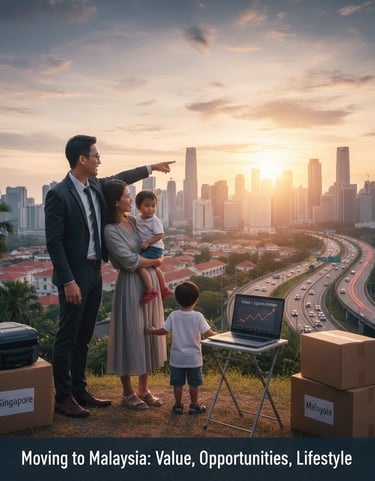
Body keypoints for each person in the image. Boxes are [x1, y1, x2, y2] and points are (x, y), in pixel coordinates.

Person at [45, 134, 174, 418]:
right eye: (95, 156)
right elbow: (54, 242)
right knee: (67, 336)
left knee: (85, 336)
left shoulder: (96, 186)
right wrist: (67, 280)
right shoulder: (59, 194)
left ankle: (79, 390)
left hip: (94, 272)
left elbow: (122, 178)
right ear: (82, 159)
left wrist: (150, 167)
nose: (99, 160)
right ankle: (63, 397)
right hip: (75, 277)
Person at [103, 179, 167, 410]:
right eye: (127, 195)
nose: (131, 199)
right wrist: (157, 261)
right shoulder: (110, 230)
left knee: (146, 333)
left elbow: (155, 238)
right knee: (130, 334)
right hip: (131, 284)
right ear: (115, 201)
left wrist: (153, 261)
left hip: (149, 282)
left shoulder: (133, 219)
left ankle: (144, 388)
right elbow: (129, 261)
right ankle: (128, 392)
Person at [146, 280, 215, 415]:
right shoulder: (198, 316)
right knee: (193, 384)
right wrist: (223, 337)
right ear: (197, 300)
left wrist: (151, 331)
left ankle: (178, 406)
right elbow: (209, 333)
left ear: (177, 299)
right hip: (193, 359)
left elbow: (164, 331)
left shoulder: (174, 315)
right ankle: (194, 406)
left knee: (178, 384)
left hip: (177, 358)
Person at [135, 190, 172, 304]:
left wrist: (148, 243)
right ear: (138, 206)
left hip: (154, 247)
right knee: (154, 267)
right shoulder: (138, 218)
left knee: (140, 266)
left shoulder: (154, 220)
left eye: (153, 206)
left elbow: (160, 234)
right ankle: (164, 288)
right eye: (147, 206)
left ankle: (150, 290)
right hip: (152, 248)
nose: (150, 208)